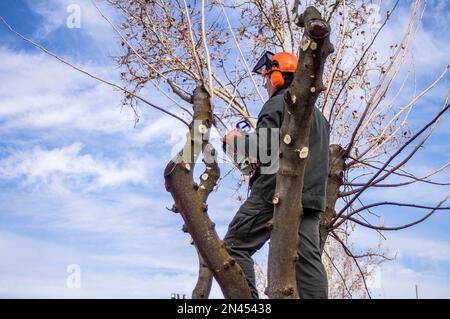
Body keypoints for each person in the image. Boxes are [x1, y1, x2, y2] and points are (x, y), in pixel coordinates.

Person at [223, 51, 330, 299]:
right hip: (311, 198)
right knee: (307, 261)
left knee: (233, 246)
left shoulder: (278, 102)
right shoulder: (321, 118)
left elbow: (260, 148)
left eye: (267, 77)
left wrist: (235, 142)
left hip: (274, 191)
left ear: (278, 77)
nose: (266, 83)